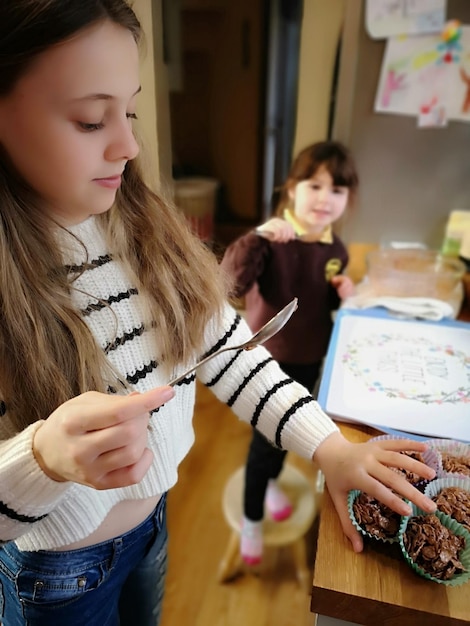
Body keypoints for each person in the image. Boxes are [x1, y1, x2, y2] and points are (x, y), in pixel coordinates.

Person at [0, 3, 436, 625]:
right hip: (57, 578)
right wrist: (43, 458)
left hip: (155, 525)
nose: (128, 144)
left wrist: (331, 449)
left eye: (128, 111)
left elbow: (235, 357)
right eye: (91, 119)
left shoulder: (148, 234)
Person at [221, 141, 360, 564]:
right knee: (264, 442)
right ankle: (251, 519)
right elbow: (230, 284)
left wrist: (343, 295)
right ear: (292, 188)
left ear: (347, 199)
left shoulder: (336, 251)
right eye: (314, 185)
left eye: (336, 190)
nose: (324, 198)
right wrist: (257, 237)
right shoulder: (272, 239)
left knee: (284, 436)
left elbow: (318, 303)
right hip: (267, 359)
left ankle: (269, 484)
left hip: (308, 357)